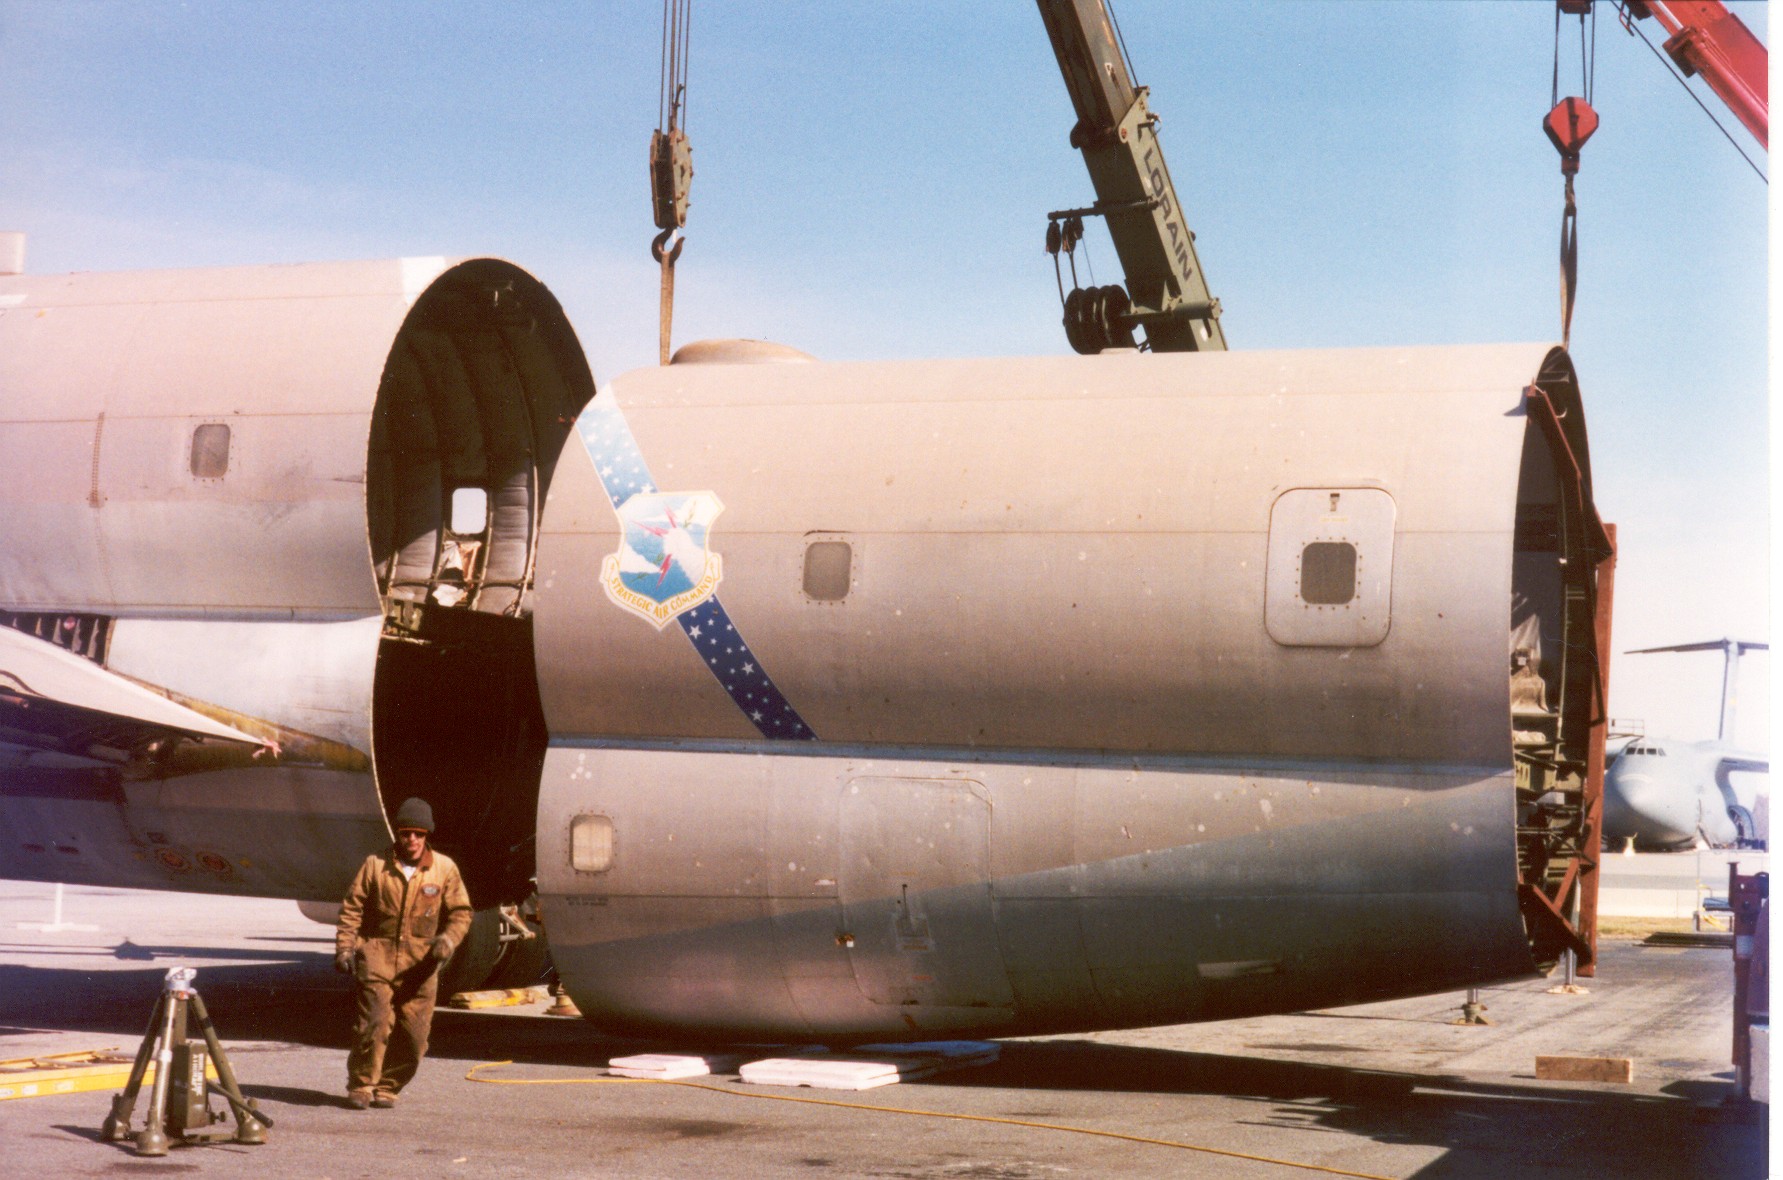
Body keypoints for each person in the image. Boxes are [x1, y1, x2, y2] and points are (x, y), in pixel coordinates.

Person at [334, 797, 472, 1109]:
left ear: (427, 836)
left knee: (415, 1037)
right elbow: (352, 908)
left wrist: (447, 941)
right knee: (374, 1025)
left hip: (421, 966)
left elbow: (461, 913)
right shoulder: (375, 865)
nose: (412, 840)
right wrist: (345, 947)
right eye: (406, 833)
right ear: (397, 833)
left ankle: (389, 1086)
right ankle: (361, 1085)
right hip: (377, 958)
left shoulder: (444, 869)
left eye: (418, 834)